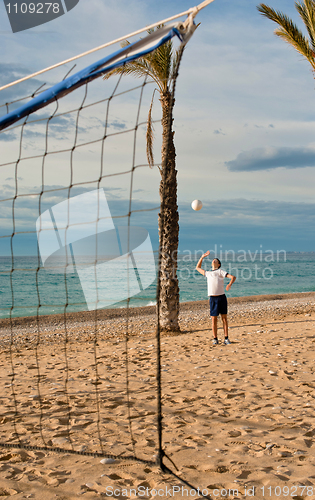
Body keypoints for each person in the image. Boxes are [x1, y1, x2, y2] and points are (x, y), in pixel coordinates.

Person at [196, 251, 236, 345]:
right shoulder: (208, 273)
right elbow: (197, 267)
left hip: (221, 298)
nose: (214, 260)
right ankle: (215, 339)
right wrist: (202, 257)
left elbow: (233, 277)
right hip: (213, 299)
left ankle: (226, 338)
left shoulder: (220, 271)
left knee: (224, 318)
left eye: (216, 260)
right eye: (213, 260)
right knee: (214, 319)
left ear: (219, 264)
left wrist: (229, 284)